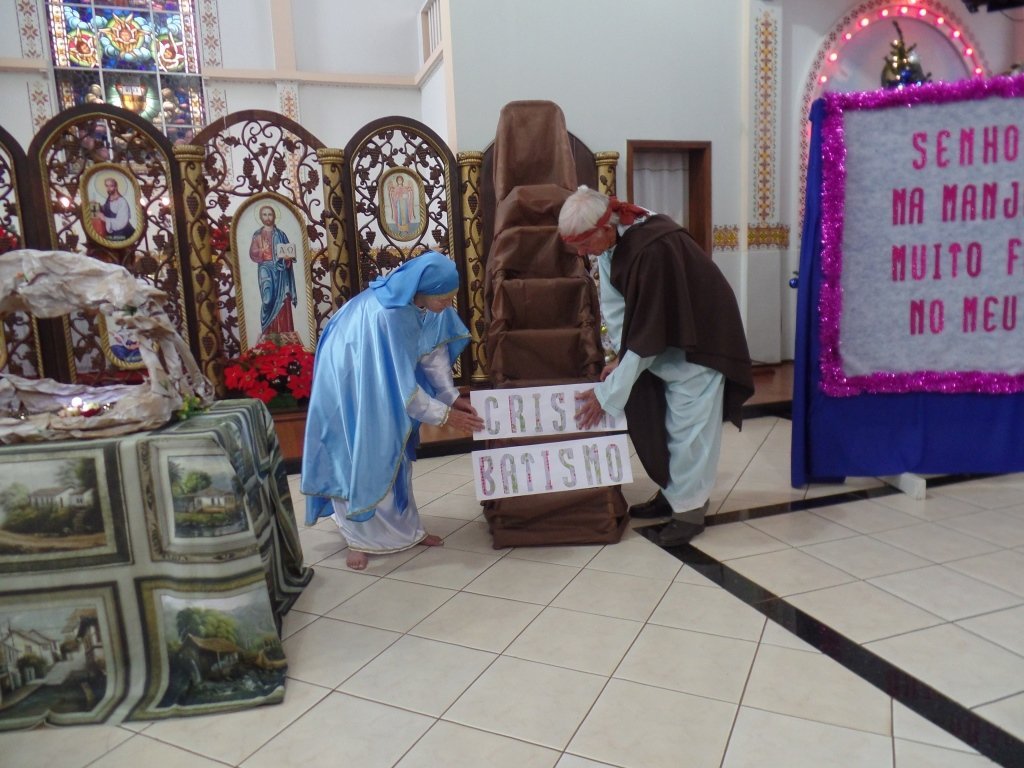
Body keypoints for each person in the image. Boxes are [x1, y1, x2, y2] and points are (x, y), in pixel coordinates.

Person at [558, 186, 753, 547]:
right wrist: (619, 357)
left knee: (688, 431)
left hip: (700, 344)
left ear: (604, 228)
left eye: (583, 245)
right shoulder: (616, 238)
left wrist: (607, 394)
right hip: (667, 340)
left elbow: (647, 336)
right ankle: (672, 493)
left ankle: (689, 512)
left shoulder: (651, 248)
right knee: (660, 423)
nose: (582, 254)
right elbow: (619, 308)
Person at [301, 251, 485, 570]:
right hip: (350, 378)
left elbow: (432, 354)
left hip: (384, 375)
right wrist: (446, 416)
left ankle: (407, 530)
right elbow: (405, 391)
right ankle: (358, 538)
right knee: (359, 452)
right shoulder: (389, 314)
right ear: (423, 291)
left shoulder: (430, 305)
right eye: (443, 299)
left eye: (450, 299)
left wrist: (451, 397)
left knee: (394, 453)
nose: (447, 305)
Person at [248, 204, 299, 343]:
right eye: (264, 214)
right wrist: (262, 251)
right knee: (267, 299)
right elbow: (253, 253)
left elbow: (289, 252)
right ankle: (268, 333)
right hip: (265, 269)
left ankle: (284, 334)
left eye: (270, 214)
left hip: (280, 271)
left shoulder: (281, 234)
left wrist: (287, 259)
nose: (267, 217)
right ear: (261, 217)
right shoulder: (257, 235)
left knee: (283, 299)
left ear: (274, 216)